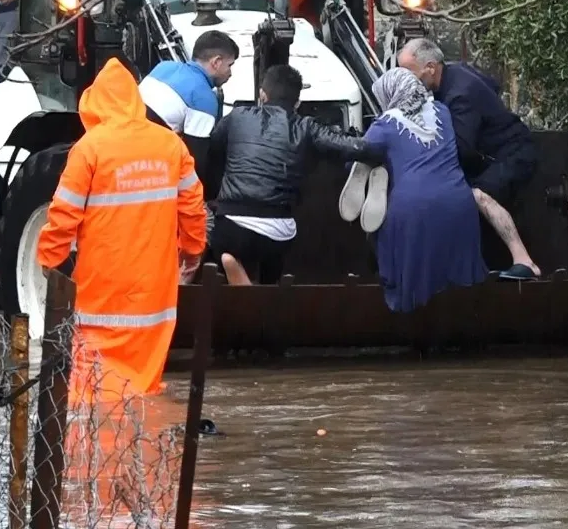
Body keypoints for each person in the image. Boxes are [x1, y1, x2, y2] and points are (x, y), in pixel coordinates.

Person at [36, 57, 207, 399]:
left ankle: (94, 444)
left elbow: (64, 214)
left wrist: (49, 260)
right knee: (145, 384)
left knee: (93, 387)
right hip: (155, 289)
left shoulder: (90, 148)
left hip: (103, 286)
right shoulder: (170, 145)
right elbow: (192, 206)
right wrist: (193, 251)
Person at [207, 64, 385, 284]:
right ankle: (264, 290)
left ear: (262, 95)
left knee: (221, 247)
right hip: (277, 227)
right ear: (298, 103)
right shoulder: (306, 127)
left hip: (232, 223)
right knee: (273, 267)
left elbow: (212, 150)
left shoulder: (237, 117)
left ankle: (239, 280)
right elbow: (350, 147)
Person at [340, 68, 489, 312]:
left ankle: (409, 313)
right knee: (455, 277)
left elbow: (355, 155)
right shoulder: (443, 112)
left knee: (387, 246)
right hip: (459, 203)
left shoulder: (385, 124)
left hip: (413, 208)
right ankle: (459, 318)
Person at [397, 38, 542, 280]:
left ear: (430, 67)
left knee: (478, 195)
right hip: (494, 154)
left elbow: (461, 149)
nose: (406, 81)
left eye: (409, 73)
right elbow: (492, 85)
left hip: (513, 154)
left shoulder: (459, 94)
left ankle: (524, 261)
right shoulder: (455, 71)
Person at [138, 29, 239, 192]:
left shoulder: (163, 67)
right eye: (229, 65)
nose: (230, 73)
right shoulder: (203, 99)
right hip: (145, 166)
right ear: (216, 62)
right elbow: (196, 161)